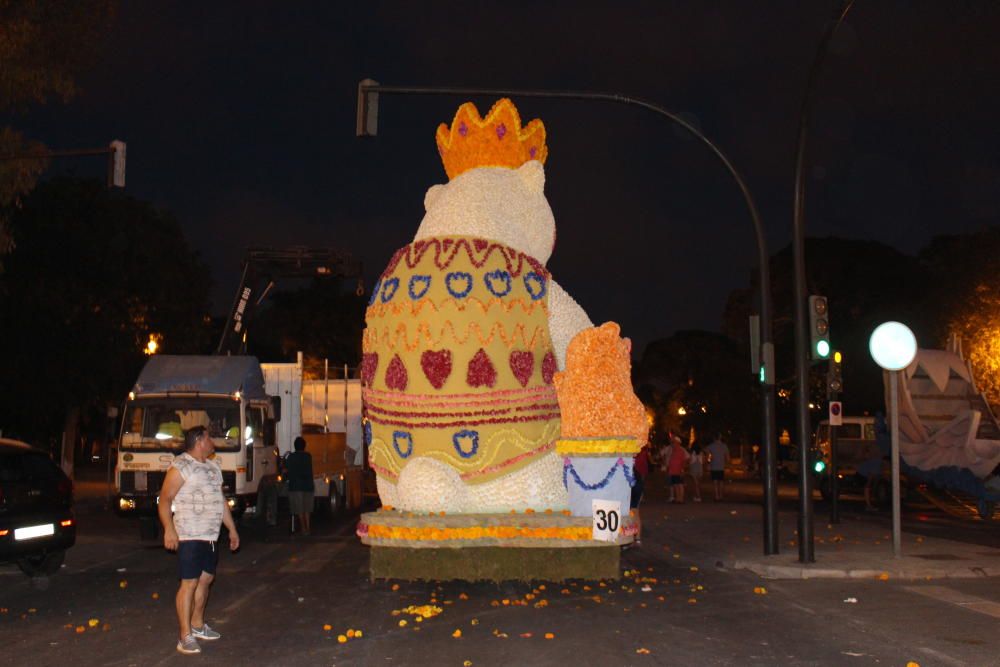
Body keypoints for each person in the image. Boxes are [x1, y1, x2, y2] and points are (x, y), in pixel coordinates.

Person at [159, 426, 240, 655]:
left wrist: (232, 529)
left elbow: (220, 500)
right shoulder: (181, 465)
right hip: (189, 534)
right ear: (199, 440)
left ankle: (197, 625)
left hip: (210, 535)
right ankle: (184, 635)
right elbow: (164, 499)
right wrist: (169, 529)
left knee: (206, 579)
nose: (213, 440)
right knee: (189, 583)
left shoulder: (213, 467)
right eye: (209, 437)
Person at [285, 436, 315, 536]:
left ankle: (303, 529)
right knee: (307, 509)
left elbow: (286, 469)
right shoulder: (308, 456)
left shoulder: (291, 457)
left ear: (295, 446)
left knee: (299, 509)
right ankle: (309, 528)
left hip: (296, 487)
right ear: (304, 446)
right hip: (308, 486)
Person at [629, 440, 651, 546]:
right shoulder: (635, 451)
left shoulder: (625, 452)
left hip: (631, 482)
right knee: (635, 511)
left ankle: (630, 538)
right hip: (636, 480)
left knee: (631, 511)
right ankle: (636, 538)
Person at [705, 434, 731, 501]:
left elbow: (707, 455)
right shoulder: (724, 446)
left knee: (715, 482)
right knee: (721, 481)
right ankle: (721, 496)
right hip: (721, 466)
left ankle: (716, 496)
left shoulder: (711, 446)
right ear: (720, 438)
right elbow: (727, 458)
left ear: (714, 438)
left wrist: (708, 463)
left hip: (714, 466)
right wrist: (726, 462)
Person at [666, 435, 690, 503]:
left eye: (674, 442)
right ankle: (678, 498)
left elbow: (686, 459)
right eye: (672, 442)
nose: (672, 444)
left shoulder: (681, 450)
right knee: (676, 484)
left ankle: (681, 499)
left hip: (679, 470)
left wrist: (683, 469)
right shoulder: (673, 450)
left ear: (678, 443)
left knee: (680, 484)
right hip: (673, 470)